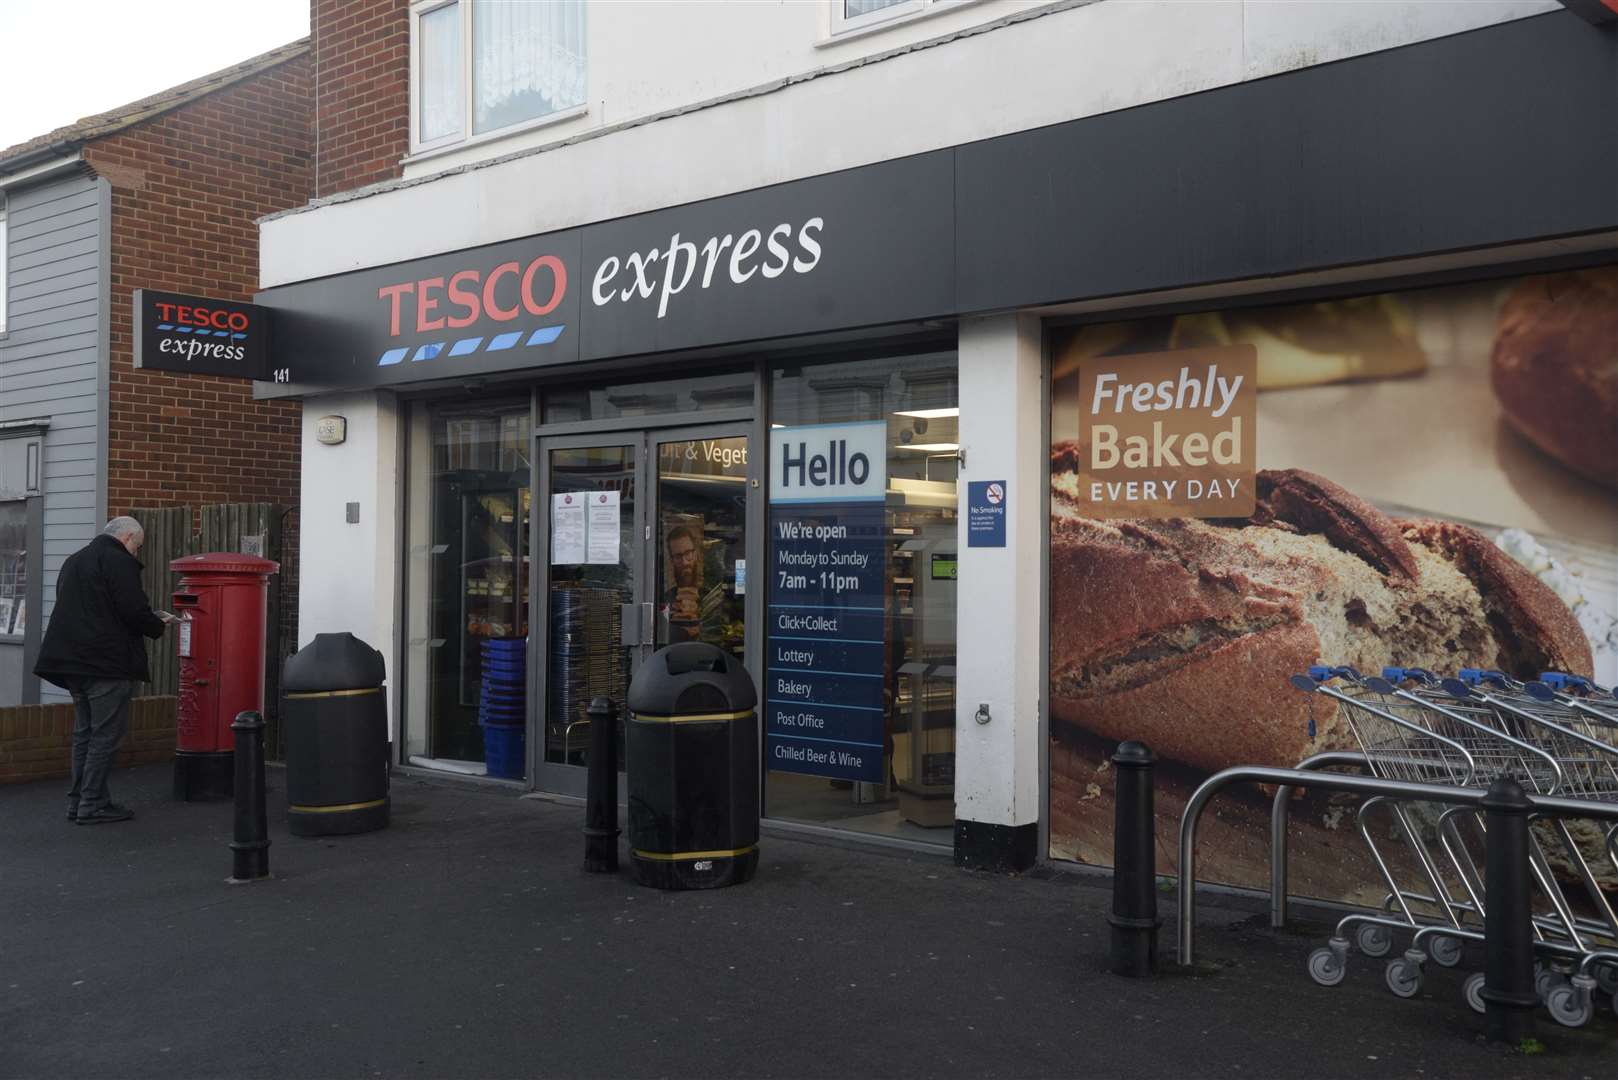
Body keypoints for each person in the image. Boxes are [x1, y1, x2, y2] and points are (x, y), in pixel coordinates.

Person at [34, 517, 174, 825]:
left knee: (84, 733)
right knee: (105, 736)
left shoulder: (74, 560)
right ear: (126, 538)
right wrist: (155, 623)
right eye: (137, 546)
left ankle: (78, 801)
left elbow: (87, 608)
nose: (136, 553)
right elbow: (131, 609)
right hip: (105, 663)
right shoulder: (118, 561)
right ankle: (93, 803)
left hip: (71, 662)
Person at [662, 523, 706, 644]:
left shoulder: (710, 597)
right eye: (678, 556)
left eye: (688, 553)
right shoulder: (665, 599)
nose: (685, 562)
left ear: (695, 554)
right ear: (672, 561)